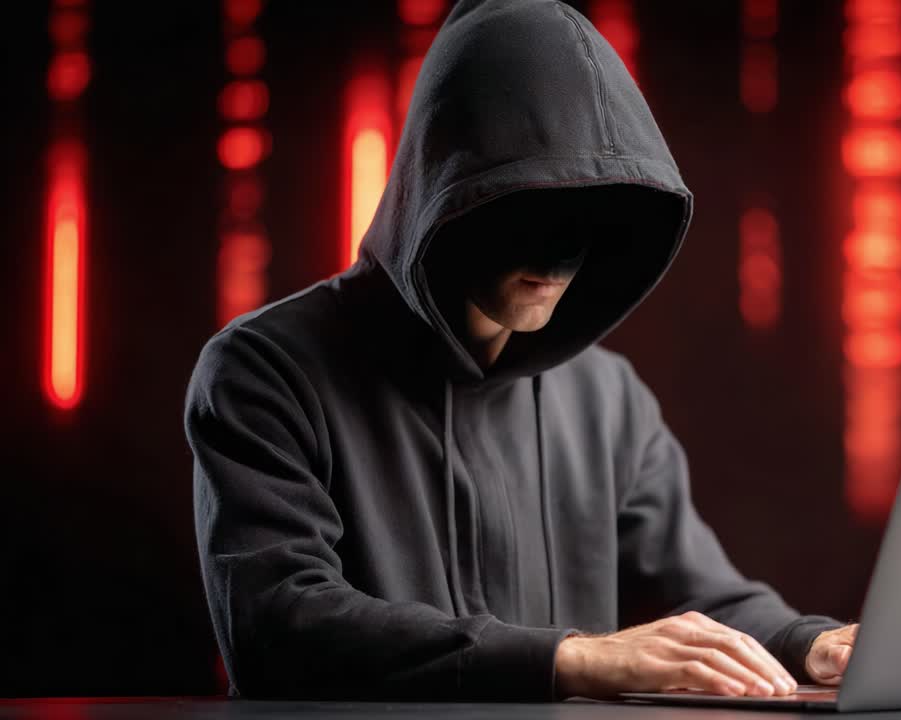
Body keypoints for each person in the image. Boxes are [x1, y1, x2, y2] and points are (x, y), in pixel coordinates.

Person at [185, 0, 858, 701]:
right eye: (525, 199)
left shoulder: (608, 400)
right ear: (443, 190)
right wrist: (573, 659)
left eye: (591, 210)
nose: (558, 250)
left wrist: (812, 643)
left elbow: (705, 599)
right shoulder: (265, 371)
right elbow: (280, 624)